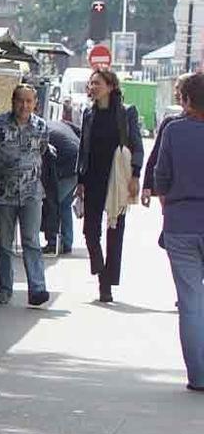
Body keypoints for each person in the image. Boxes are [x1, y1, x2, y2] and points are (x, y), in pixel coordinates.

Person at [146, 70, 204, 391]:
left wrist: (169, 209)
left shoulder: (174, 131)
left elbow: (161, 178)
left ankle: (198, 375)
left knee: (191, 302)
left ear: (186, 100)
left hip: (181, 224)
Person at [75, 67, 144, 304]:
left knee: (115, 231)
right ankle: (99, 265)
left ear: (111, 87)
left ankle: (106, 286)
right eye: (91, 83)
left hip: (117, 177)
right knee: (89, 230)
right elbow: (83, 148)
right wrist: (80, 180)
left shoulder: (126, 113)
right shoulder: (88, 113)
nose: (93, 87)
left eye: (98, 83)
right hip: (93, 177)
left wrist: (136, 175)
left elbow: (136, 144)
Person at [0, 84, 53, 307]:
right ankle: (4, 289)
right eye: (20, 101)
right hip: (4, 194)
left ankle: (37, 289)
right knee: (4, 244)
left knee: (31, 241)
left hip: (31, 193)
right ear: (12, 101)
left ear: (35, 104)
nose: (24, 106)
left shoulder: (41, 127)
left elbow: (42, 153)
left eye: (29, 101)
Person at [41, 113, 80, 256]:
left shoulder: (41, 132)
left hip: (69, 165)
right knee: (64, 204)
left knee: (56, 203)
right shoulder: (56, 124)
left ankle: (57, 242)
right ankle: (66, 241)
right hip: (78, 162)